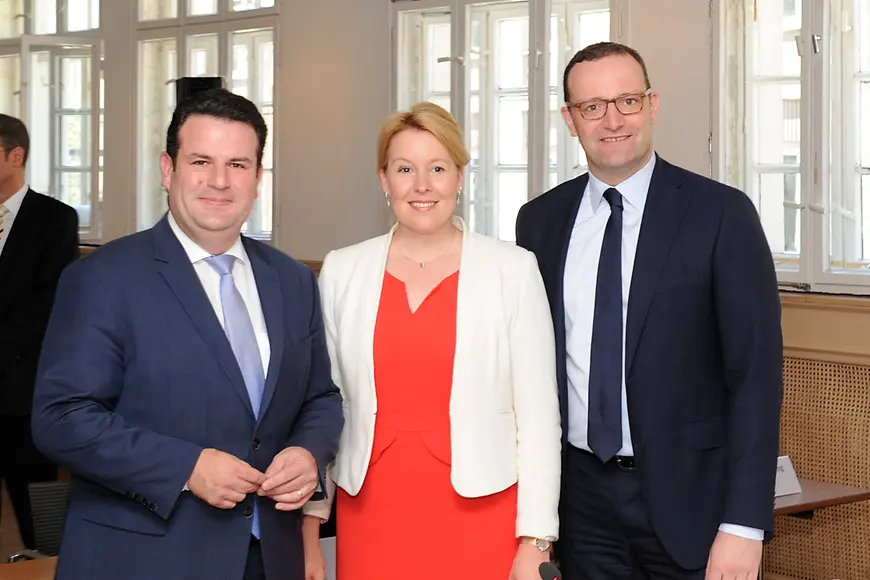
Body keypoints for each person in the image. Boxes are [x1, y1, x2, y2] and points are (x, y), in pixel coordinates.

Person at [31, 88, 344, 580]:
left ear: (258, 178)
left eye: (238, 165)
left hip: (269, 557)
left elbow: (321, 397)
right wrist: (186, 467)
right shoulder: (102, 278)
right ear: (168, 169)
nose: (219, 181)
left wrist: (308, 453)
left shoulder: (292, 280)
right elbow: (60, 418)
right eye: (201, 161)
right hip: (144, 558)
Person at [515, 42, 783, 579]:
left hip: (695, 507)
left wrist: (745, 524)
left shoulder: (721, 214)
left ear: (652, 105)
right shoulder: (539, 222)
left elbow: (755, 377)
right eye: (592, 106)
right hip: (582, 504)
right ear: (570, 120)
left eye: (627, 101)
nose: (611, 120)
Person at [300, 102, 562, 580]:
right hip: (372, 513)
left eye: (437, 168)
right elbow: (322, 408)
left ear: (459, 176)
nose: (422, 185)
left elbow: (540, 419)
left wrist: (536, 541)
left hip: (483, 511)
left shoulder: (513, 270)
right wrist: (311, 527)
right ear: (384, 179)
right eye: (405, 169)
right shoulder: (343, 270)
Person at [0, 114, 78, 550]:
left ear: (16, 155)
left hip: (22, 392)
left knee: (38, 520)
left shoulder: (54, 219)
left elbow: (42, 307)